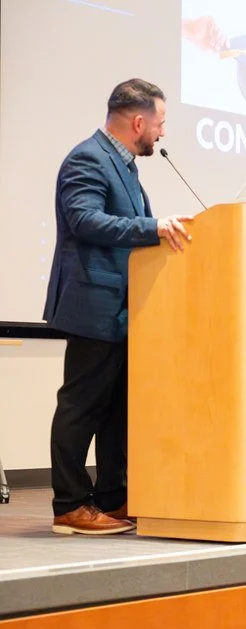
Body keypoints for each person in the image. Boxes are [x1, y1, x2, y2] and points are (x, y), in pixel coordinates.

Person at [43, 79, 192, 535]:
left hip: (124, 310)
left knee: (115, 411)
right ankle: (70, 504)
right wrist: (153, 227)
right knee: (81, 406)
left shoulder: (125, 167)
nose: (162, 134)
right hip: (93, 304)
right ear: (139, 121)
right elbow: (84, 219)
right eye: (161, 124)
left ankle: (111, 496)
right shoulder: (88, 157)